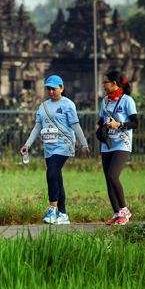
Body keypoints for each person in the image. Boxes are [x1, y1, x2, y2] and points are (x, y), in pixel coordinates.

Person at [20, 75, 89, 225]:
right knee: (57, 177)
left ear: (62, 88)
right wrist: (27, 145)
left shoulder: (68, 105)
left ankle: (52, 209)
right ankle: (63, 214)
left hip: (64, 144)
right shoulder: (43, 106)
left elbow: (75, 125)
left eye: (54, 88)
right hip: (49, 146)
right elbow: (37, 127)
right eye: (48, 89)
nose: (51, 91)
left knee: (51, 172)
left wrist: (84, 144)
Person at [97, 70, 138, 226]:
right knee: (108, 180)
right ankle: (116, 213)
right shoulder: (105, 101)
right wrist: (99, 129)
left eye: (105, 82)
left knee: (113, 176)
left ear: (114, 83)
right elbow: (101, 120)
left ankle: (124, 210)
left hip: (122, 144)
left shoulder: (127, 101)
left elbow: (135, 123)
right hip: (107, 145)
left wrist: (119, 124)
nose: (103, 85)